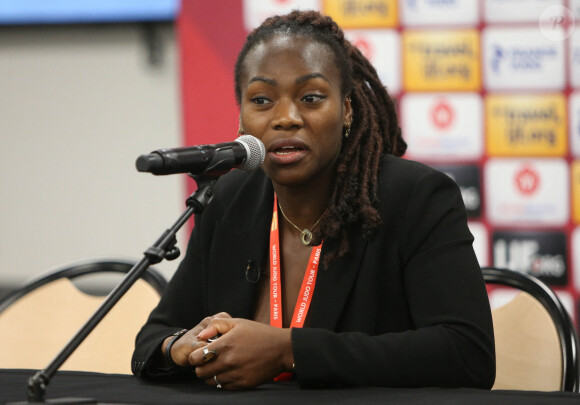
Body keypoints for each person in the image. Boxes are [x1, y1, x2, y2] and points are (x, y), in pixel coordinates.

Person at [131, 10, 495, 390]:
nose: (286, 118)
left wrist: (288, 350)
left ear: (346, 109)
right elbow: (155, 336)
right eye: (261, 100)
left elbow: (468, 355)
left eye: (310, 97)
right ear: (241, 117)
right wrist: (180, 347)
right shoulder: (229, 198)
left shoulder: (416, 197)